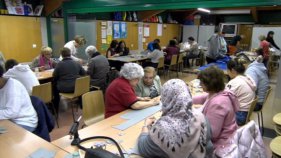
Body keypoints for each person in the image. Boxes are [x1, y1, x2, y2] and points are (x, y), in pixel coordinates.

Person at [138, 79, 213, 158]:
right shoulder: (201, 117)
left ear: (165, 97)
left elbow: (143, 148)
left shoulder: (161, 129)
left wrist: (145, 126)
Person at [193, 66, 239, 150]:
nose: (200, 85)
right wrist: (187, 99)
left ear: (210, 84)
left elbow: (212, 134)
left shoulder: (218, 104)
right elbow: (205, 97)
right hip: (223, 137)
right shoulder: (219, 91)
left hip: (221, 144)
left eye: (202, 83)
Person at [0, 65, 38, 132]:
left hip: (24, 122)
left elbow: (12, 113)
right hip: (9, 120)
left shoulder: (13, 87)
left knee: (4, 139)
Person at [226, 58, 256, 126]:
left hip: (239, 116)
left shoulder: (235, 82)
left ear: (232, 70)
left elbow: (224, 100)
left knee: (212, 113)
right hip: (245, 113)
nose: (227, 72)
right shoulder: (248, 78)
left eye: (227, 70)